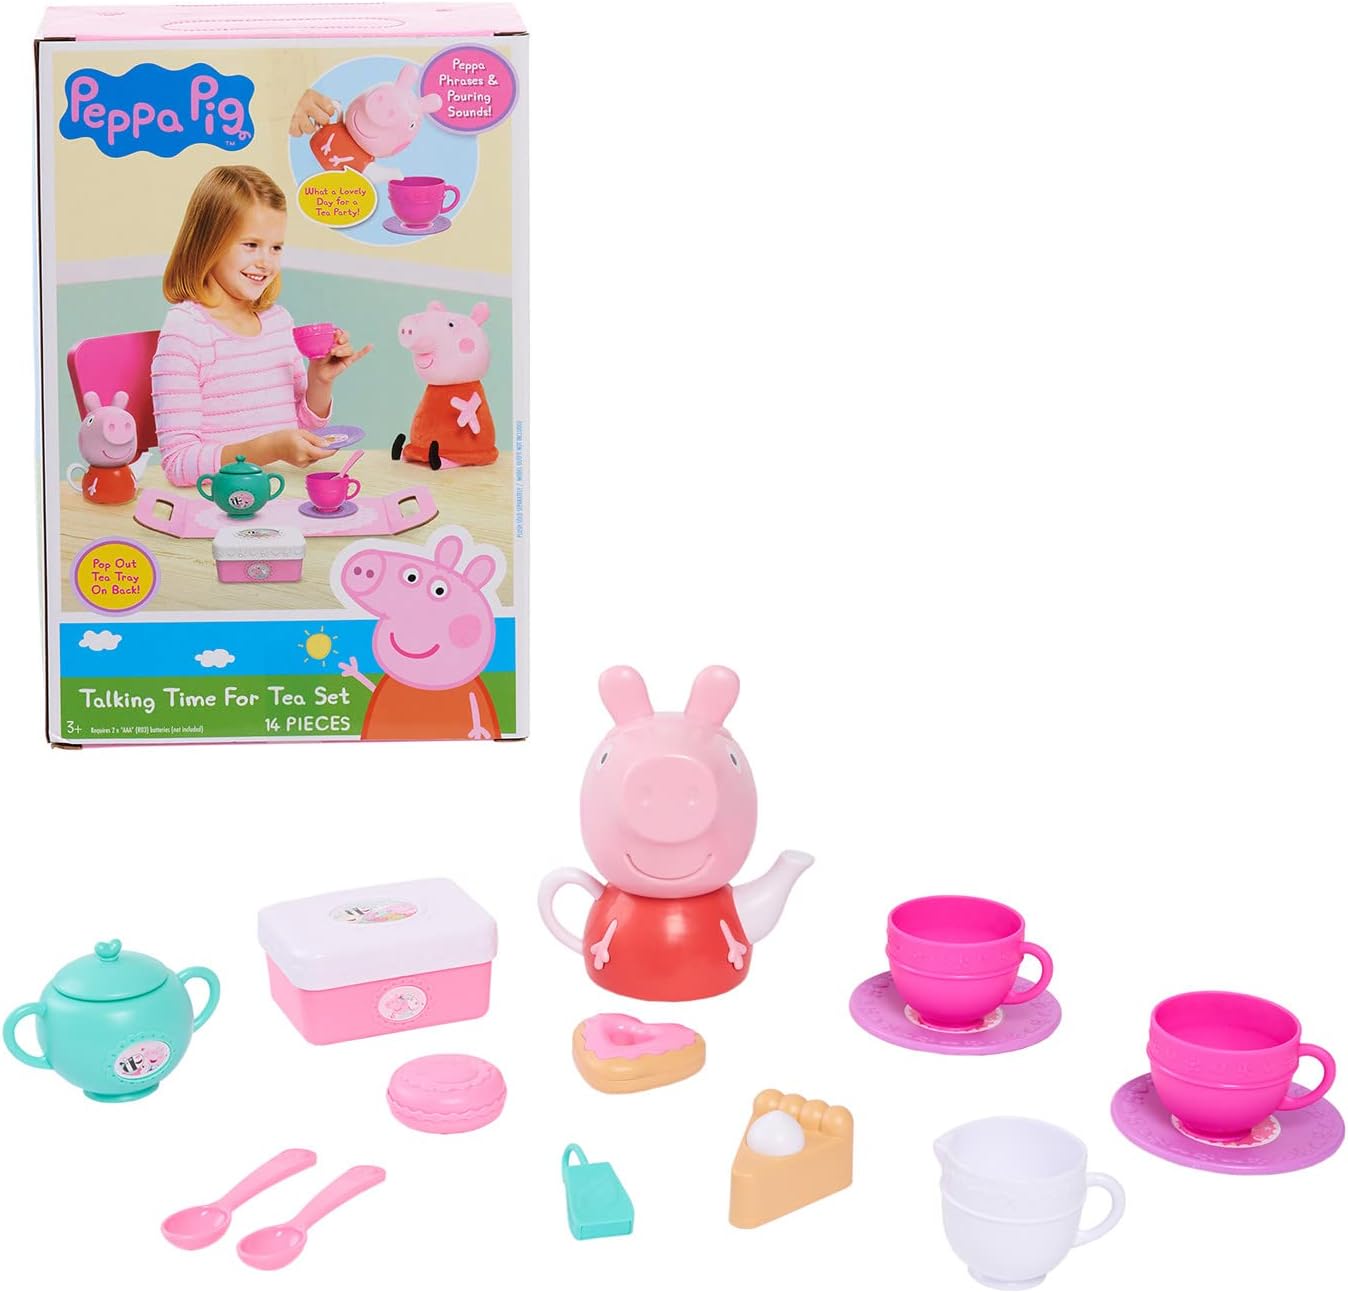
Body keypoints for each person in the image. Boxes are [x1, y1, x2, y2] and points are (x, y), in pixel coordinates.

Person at [152, 164, 370, 487]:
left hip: (282, 492)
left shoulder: (278, 322)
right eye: (251, 245)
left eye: (276, 247)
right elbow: (178, 463)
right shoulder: (187, 331)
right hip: (220, 503)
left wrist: (320, 381)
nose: (266, 262)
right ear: (208, 242)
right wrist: (269, 449)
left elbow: (300, 430)